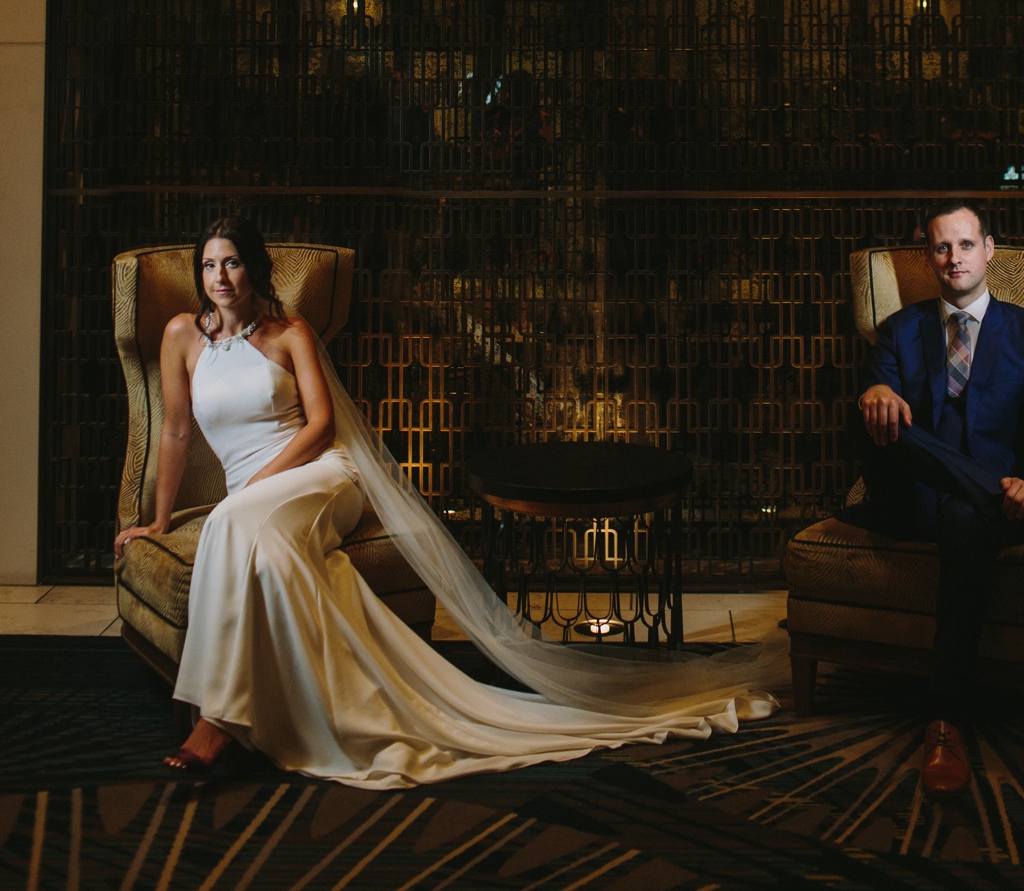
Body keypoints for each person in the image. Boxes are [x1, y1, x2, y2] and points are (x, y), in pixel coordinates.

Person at [114, 216, 777, 784]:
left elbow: (319, 425)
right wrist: (158, 520)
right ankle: (316, 706)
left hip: (316, 474)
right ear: (198, 275)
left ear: (253, 270)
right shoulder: (180, 336)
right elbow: (174, 431)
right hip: (253, 497)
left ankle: (217, 720)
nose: (220, 276)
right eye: (208, 265)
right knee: (266, 559)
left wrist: (262, 481)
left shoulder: (290, 334)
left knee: (235, 520)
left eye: (232, 263)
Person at [849, 198, 1024, 798]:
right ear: (927, 255)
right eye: (940, 246)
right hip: (911, 498)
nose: (953, 257)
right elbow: (879, 402)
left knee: (965, 517)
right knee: (881, 415)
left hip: (997, 508)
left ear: (988, 251)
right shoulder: (900, 328)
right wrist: (876, 388)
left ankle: (944, 722)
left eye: (965, 244)